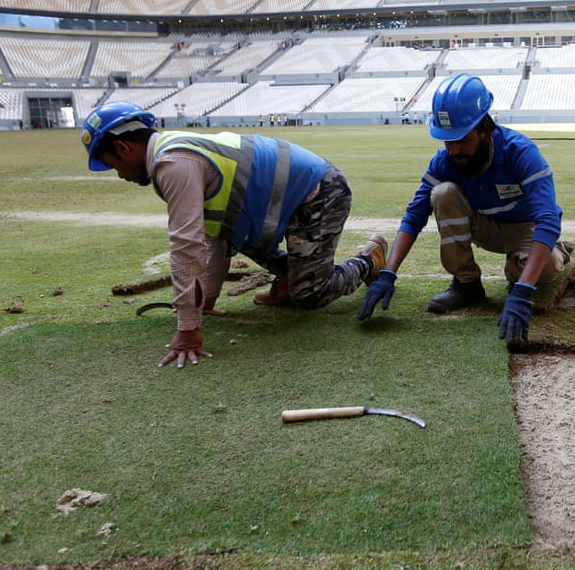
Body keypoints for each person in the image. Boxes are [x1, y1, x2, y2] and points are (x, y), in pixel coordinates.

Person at [80, 101, 387, 369]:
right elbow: (217, 235)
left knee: (310, 295)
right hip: (286, 204)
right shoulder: (174, 150)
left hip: (319, 192)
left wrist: (188, 329)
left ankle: (367, 262)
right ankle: (288, 279)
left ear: (122, 148)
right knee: (236, 236)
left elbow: (187, 248)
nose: (120, 175)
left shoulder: (173, 163)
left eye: (112, 165)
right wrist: (206, 301)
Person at [357, 73, 567, 344]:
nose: (454, 150)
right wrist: (388, 273)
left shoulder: (521, 152)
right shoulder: (444, 162)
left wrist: (524, 287)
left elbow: (548, 218)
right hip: (484, 226)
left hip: (526, 227)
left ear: (486, 130)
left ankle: (555, 252)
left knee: (542, 270)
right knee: (442, 193)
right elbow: (414, 216)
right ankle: (467, 285)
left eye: (462, 140)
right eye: (448, 141)